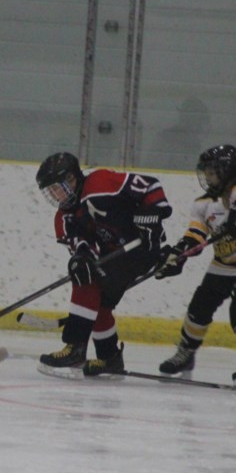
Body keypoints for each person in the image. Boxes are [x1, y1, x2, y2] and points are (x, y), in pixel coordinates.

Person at [155, 144, 236, 382]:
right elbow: (195, 236)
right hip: (222, 266)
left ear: (228, 170)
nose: (207, 176)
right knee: (199, 307)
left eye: (212, 171)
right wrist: (179, 254)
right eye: (205, 171)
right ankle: (187, 352)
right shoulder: (202, 204)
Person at [35, 152, 172, 376]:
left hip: (141, 248)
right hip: (115, 257)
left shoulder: (100, 183)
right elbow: (82, 246)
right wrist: (81, 258)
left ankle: (75, 347)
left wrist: (151, 216)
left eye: (56, 187)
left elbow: (151, 187)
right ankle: (109, 358)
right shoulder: (63, 218)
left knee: (89, 281)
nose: (54, 194)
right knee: (94, 293)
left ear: (71, 179)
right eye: (50, 191)